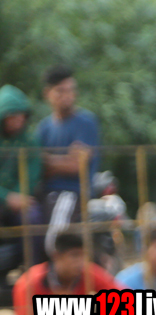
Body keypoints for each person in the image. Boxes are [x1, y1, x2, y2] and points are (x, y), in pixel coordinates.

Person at [37, 66, 101, 251]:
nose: (68, 96)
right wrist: (61, 160)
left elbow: (76, 165)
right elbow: (35, 166)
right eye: (61, 91)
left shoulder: (86, 123)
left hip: (73, 193)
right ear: (47, 93)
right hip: (45, 193)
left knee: (55, 242)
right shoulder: (44, 128)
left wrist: (47, 160)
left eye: (71, 90)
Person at [0, 85, 45, 264]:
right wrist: (6, 197)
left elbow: (32, 174)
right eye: (13, 116)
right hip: (4, 198)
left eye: (22, 115)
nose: (19, 120)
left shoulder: (30, 141)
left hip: (21, 200)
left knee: (33, 218)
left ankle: (32, 271)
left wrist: (19, 196)